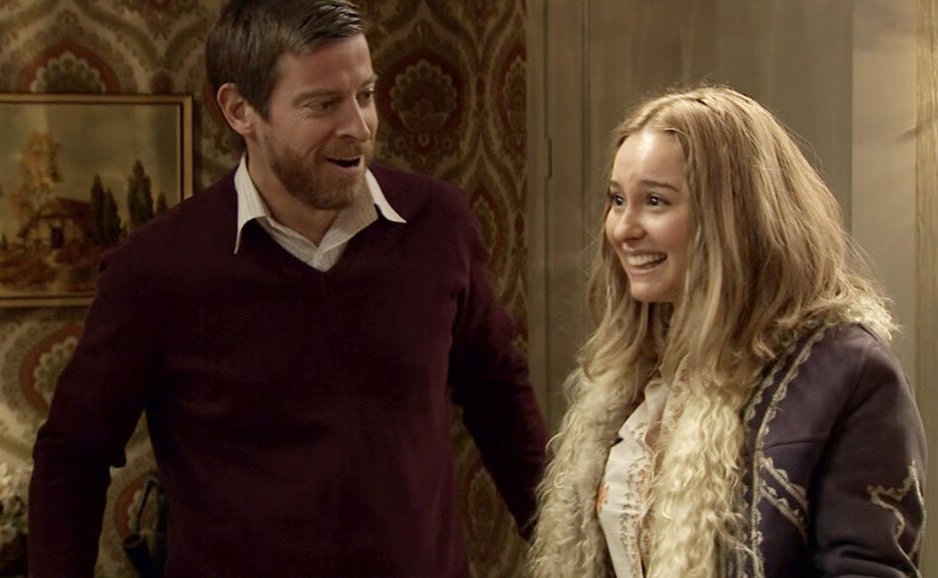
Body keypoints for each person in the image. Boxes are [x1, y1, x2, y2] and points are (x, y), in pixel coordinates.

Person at [28, 1, 548, 576]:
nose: (359, 126)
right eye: (323, 104)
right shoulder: (155, 269)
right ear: (240, 110)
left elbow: (499, 395)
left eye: (365, 94)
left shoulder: (439, 224)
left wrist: (573, 550)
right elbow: (72, 454)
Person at [527, 85, 927, 578]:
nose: (622, 228)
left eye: (654, 201)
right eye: (617, 200)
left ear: (733, 215)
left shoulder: (846, 371)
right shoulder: (630, 376)